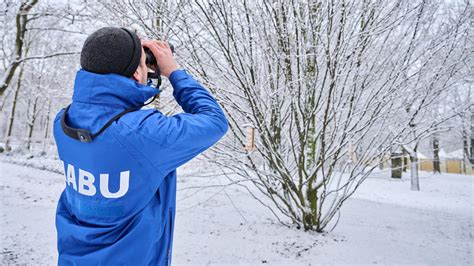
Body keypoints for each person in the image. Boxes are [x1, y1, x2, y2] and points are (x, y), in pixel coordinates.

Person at [52, 27, 228, 265]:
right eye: (144, 65)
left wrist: (128, 53)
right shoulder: (143, 133)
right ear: (136, 74)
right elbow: (215, 120)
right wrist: (173, 72)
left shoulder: (64, 122)